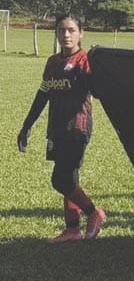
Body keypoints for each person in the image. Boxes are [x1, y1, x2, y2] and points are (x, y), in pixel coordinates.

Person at [17, 14, 106, 244]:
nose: (66, 34)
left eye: (71, 30)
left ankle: (93, 213)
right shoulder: (52, 62)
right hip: (57, 128)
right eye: (61, 30)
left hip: (78, 127)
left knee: (60, 179)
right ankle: (72, 229)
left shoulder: (85, 60)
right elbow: (43, 94)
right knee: (70, 178)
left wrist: (99, 64)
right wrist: (27, 126)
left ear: (81, 33)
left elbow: (97, 90)